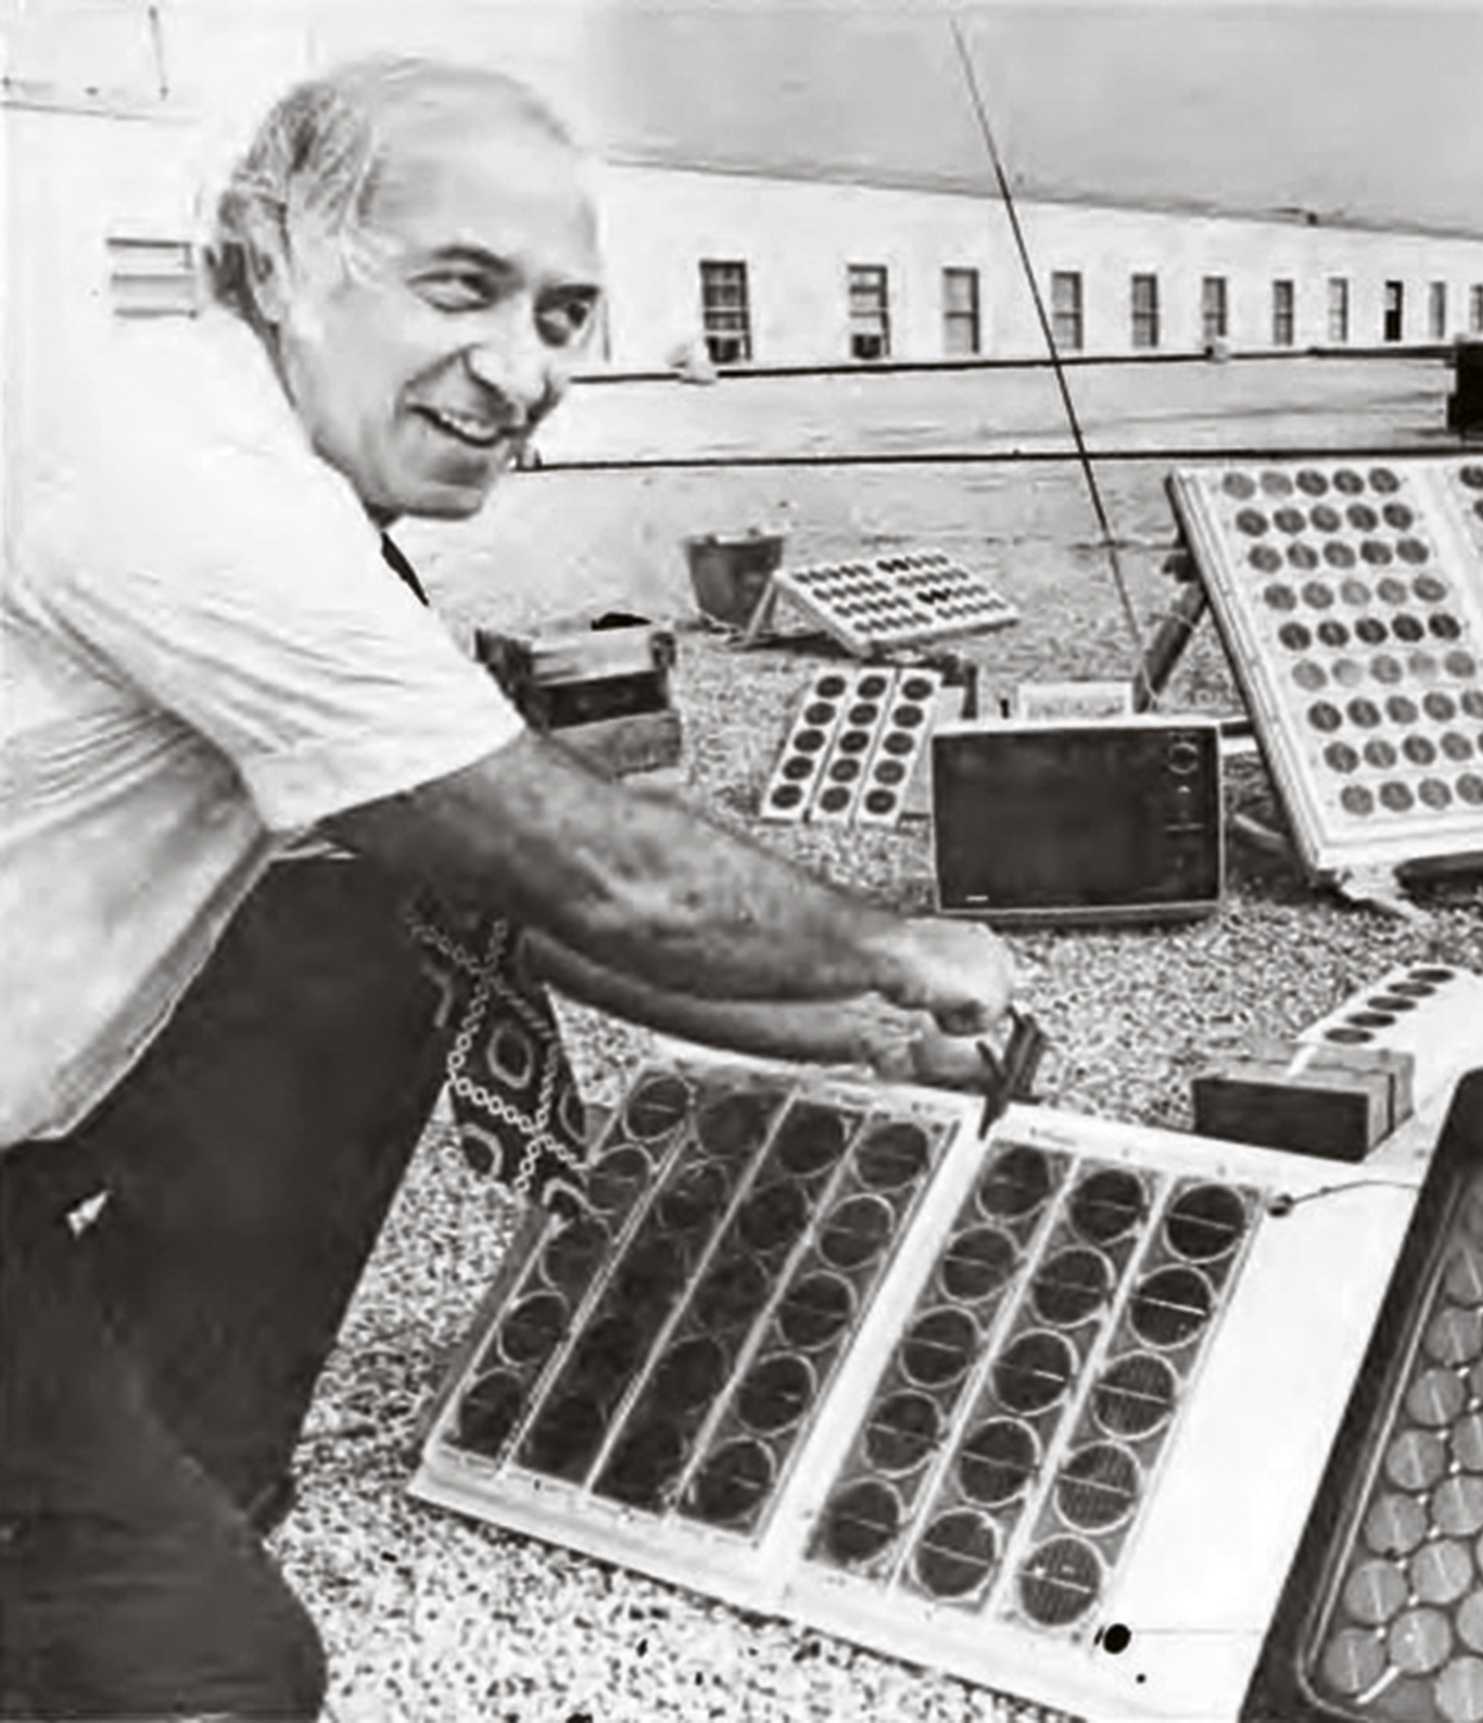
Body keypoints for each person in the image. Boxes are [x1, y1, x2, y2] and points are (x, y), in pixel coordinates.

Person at [0, 55, 1011, 1720]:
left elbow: (483, 900)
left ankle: (160, 1475)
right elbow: (590, 862)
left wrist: (850, 1022)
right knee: (212, 1680)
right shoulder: (184, 493)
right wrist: (898, 943)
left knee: (349, 955)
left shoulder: (280, 489)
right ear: (267, 256)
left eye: (562, 315)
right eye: (460, 288)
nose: (522, 370)